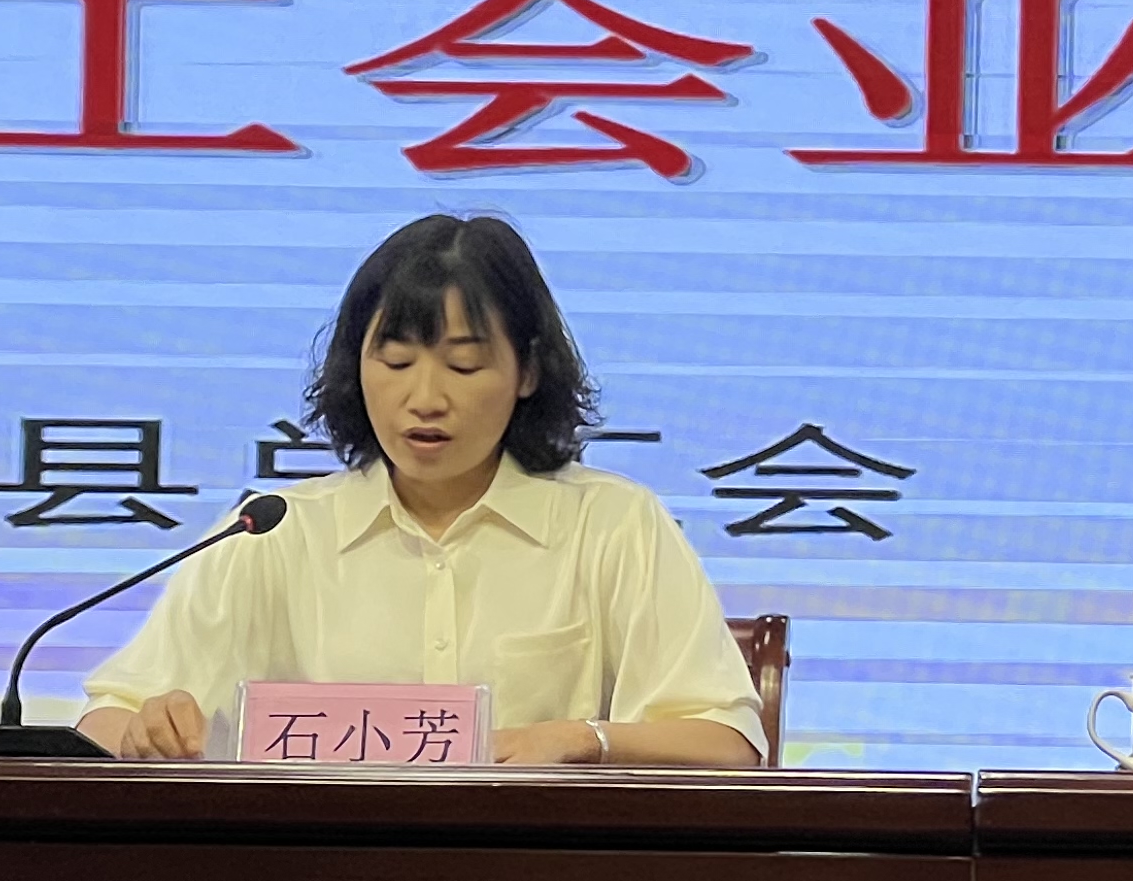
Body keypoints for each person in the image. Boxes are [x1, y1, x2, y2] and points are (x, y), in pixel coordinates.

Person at [78, 215, 766, 768]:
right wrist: (147, 730)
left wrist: (580, 738)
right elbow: (103, 722)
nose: (425, 398)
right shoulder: (273, 530)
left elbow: (726, 742)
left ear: (527, 371)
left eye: (463, 365)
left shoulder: (612, 523)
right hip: (313, 878)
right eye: (397, 361)